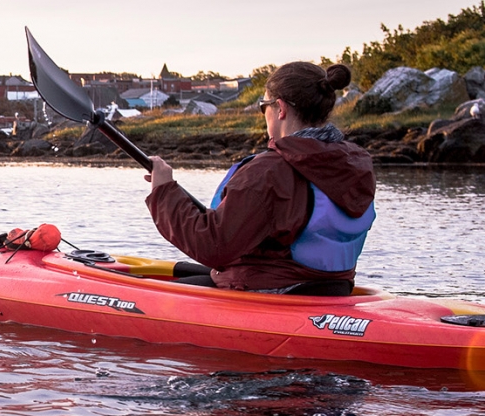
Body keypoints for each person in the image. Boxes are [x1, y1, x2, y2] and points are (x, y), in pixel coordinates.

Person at [143, 62, 376, 296]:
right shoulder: (354, 164)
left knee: (152, 295)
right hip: (331, 289)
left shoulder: (269, 173)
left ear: (280, 108)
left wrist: (163, 191)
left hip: (271, 291)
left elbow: (212, 245)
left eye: (263, 105)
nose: (264, 113)